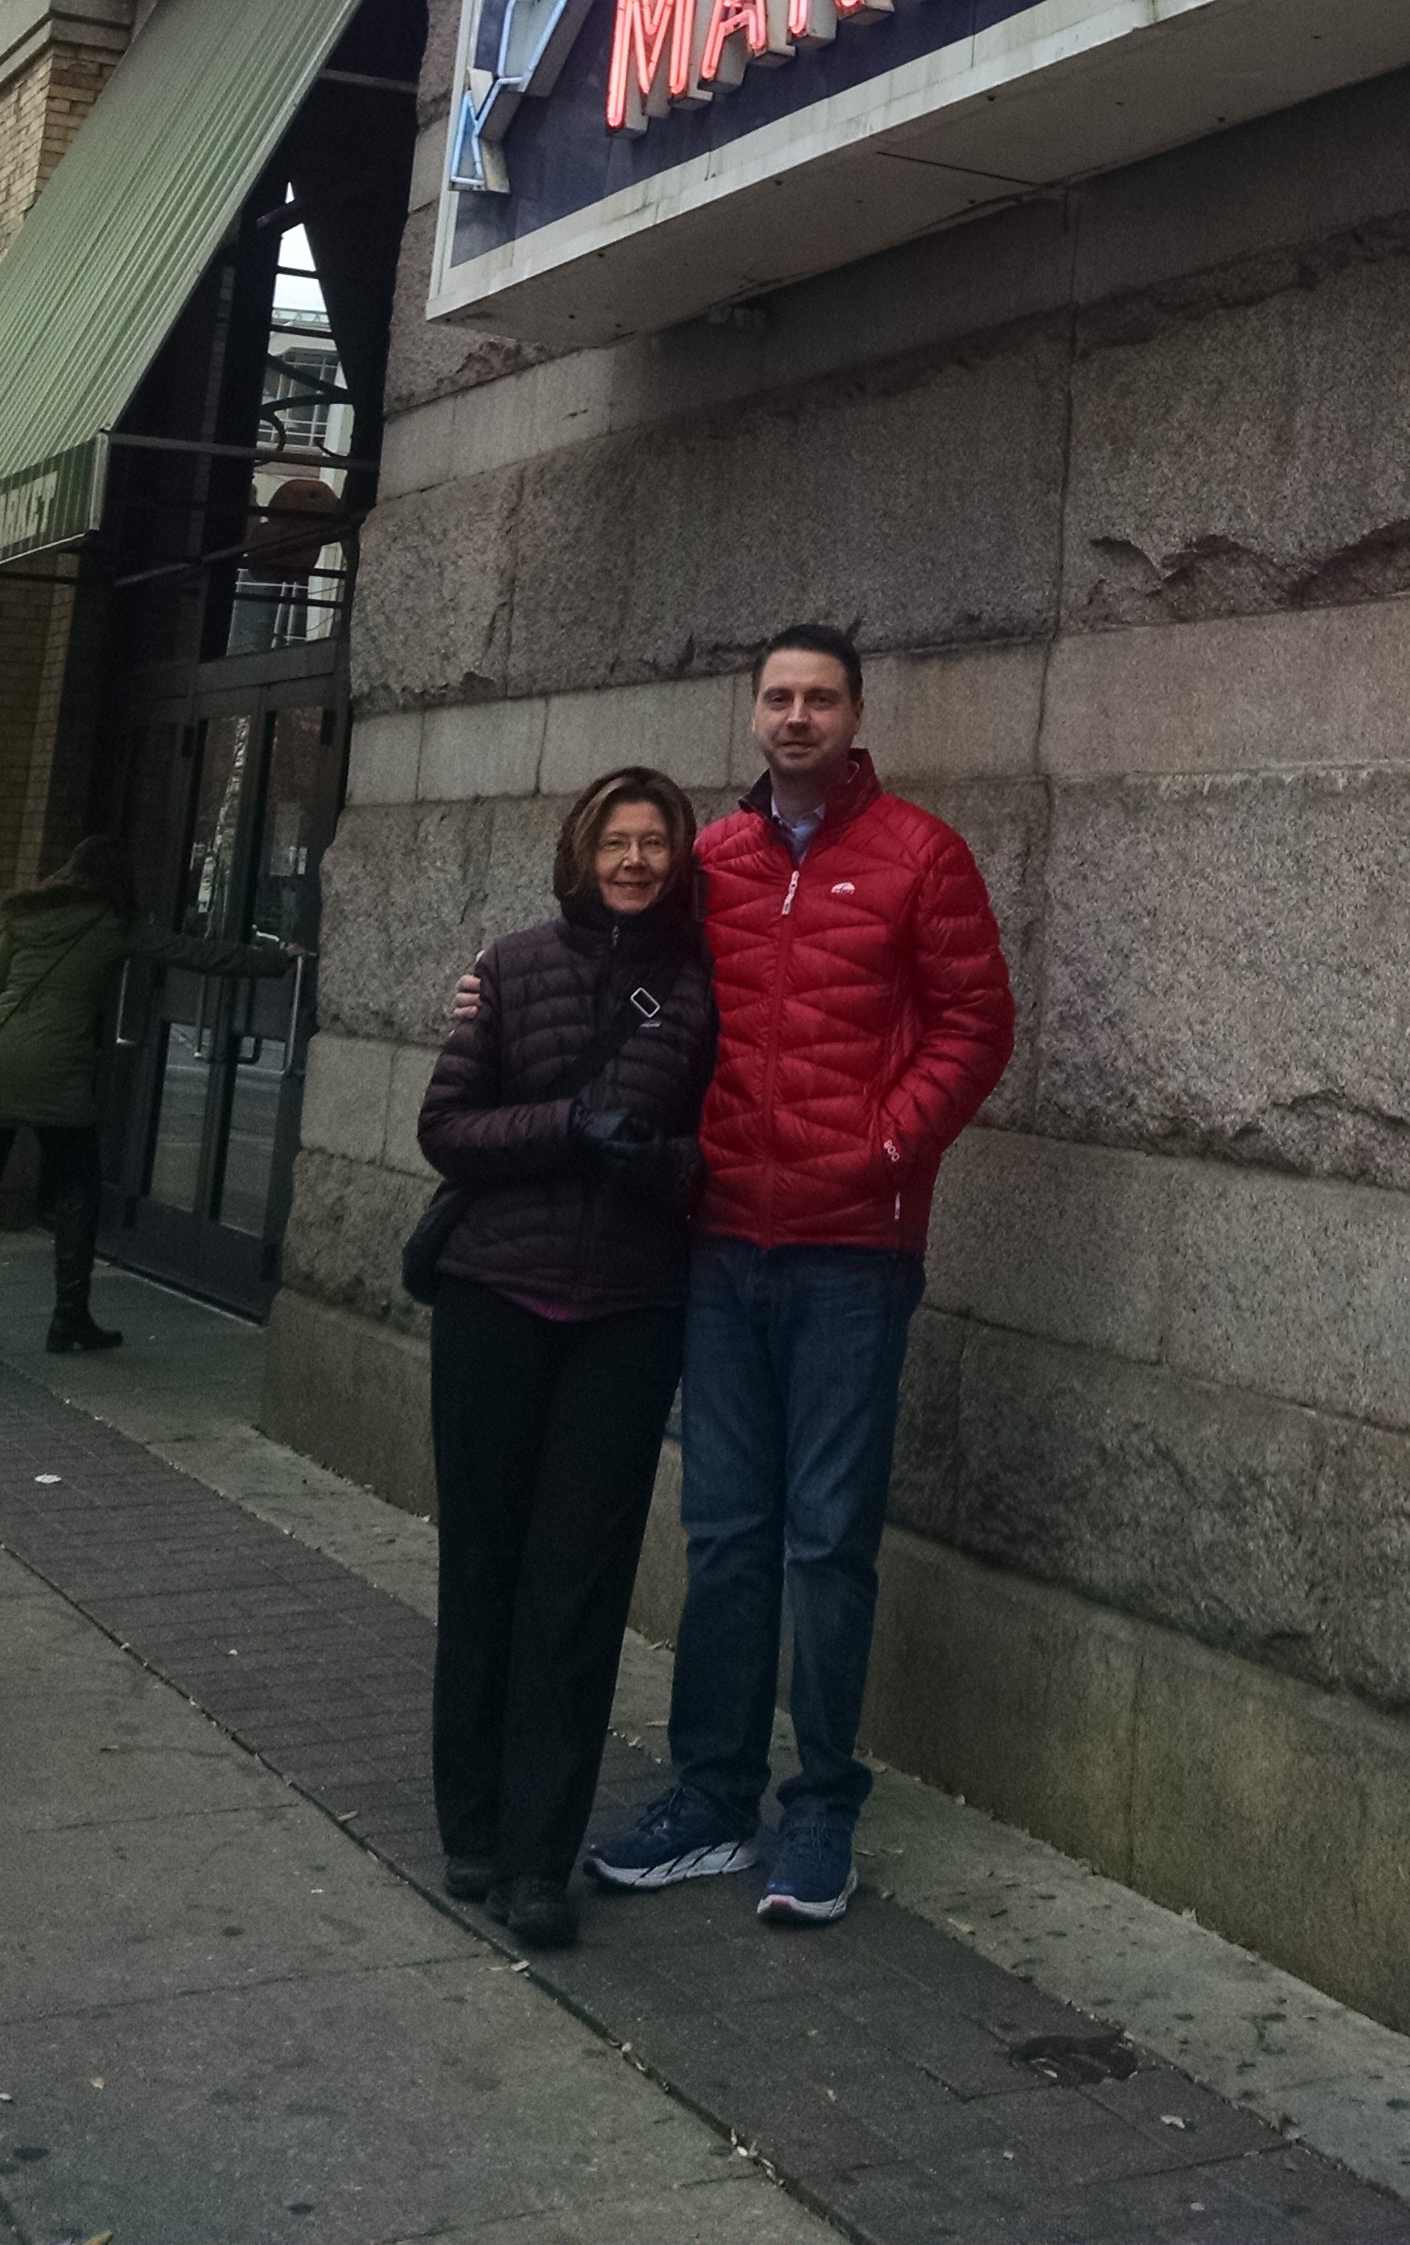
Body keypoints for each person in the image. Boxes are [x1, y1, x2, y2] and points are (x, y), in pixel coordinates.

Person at [585, 627, 1014, 1929]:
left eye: (819, 698)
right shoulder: (710, 859)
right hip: (722, 1241)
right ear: (753, 713)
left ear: (856, 714)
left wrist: (883, 1145)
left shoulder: (922, 855)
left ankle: (820, 1808)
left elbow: (976, 1024)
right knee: (725, 1535)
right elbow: (619, 975)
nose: (796, 716)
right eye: (777, 696)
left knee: (827, 1542)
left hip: (850, 1256)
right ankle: (712, 1796)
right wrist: (487, 998)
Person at [416, 766, 717, 1952]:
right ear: (580, 853)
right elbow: (445, 1128)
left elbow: (719, 1147)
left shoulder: (701, 988)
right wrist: (564, 1127)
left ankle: (541, 1858)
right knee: (484, 1566)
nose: (634, 861)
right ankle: (473, 1827)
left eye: (654, 843)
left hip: (626, 1313)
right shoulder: (508, 967)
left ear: (679, 860)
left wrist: (661, 1162)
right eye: (614, 842)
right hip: (494, 1298)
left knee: (577, 1589)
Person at [0, 833, 298, 1352]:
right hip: (56, 1070)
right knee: (78, 1187)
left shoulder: (27, 916)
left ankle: (71, 1320)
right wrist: (276, 960)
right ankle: (69, 1319)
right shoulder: (115, 924)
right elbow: (196, 953)